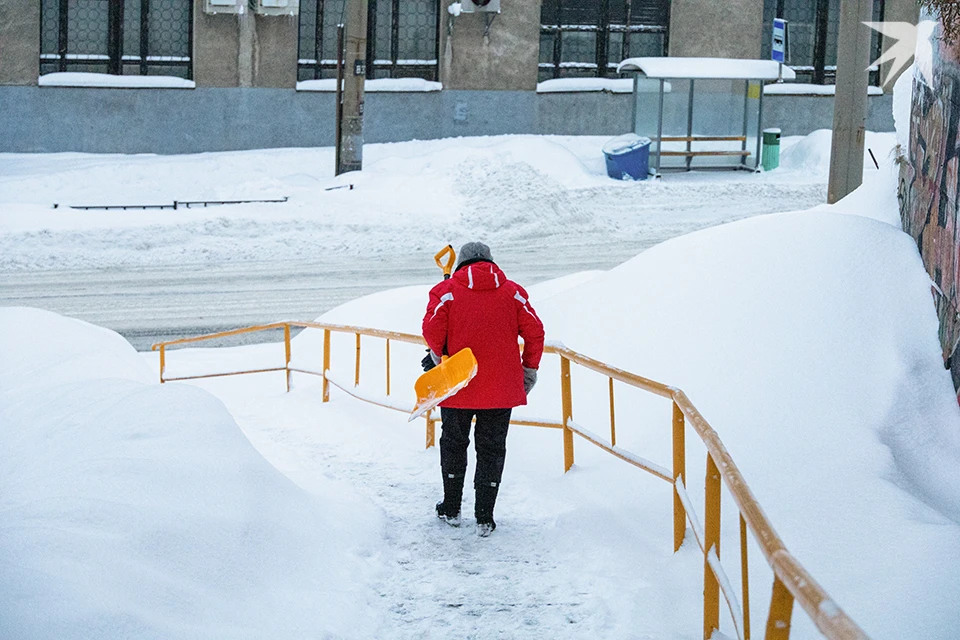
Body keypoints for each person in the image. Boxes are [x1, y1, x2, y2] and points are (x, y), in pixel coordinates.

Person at [421, 241, 545, 537]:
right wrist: (529, 369)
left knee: (453, 443)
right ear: (491, 262)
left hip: (458, 384)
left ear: (461, 264)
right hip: (501, 387)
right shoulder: (513, 291)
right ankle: (485, 517)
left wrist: (440, 358)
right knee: (491, 448)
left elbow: (431, 330)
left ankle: (451, 509)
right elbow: (535, 331)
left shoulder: (446, 291)